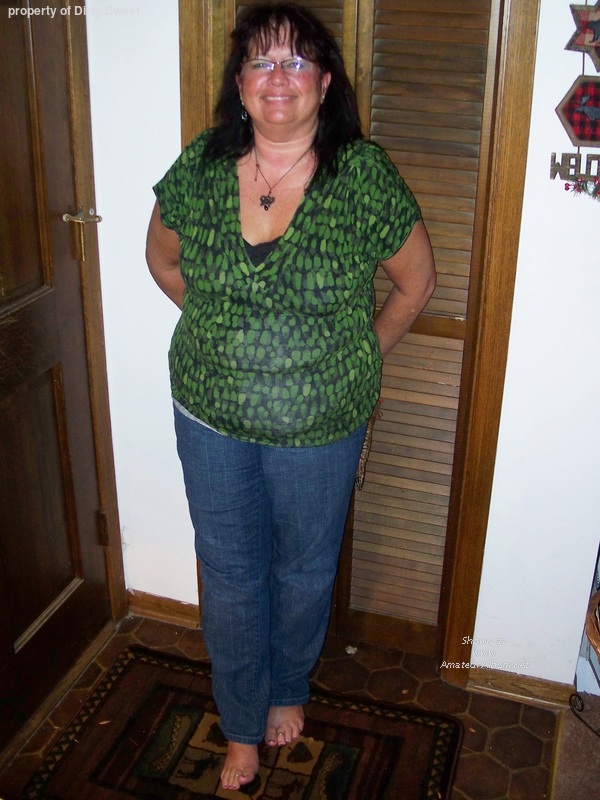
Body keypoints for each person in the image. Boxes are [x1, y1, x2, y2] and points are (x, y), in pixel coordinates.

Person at [146, 2, 435, 791]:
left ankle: (286, 687)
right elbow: (162, 262)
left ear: (325, 82)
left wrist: (355, 355)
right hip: (210, 416)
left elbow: (416, 285)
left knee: (304, 570)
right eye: (262, 61)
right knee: (231, 573)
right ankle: (241, 723)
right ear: (240, 83)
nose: (279, 77)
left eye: (297, 61)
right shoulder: (201, 166)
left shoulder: (362, 175)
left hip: (322, 424)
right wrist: (224, 337)